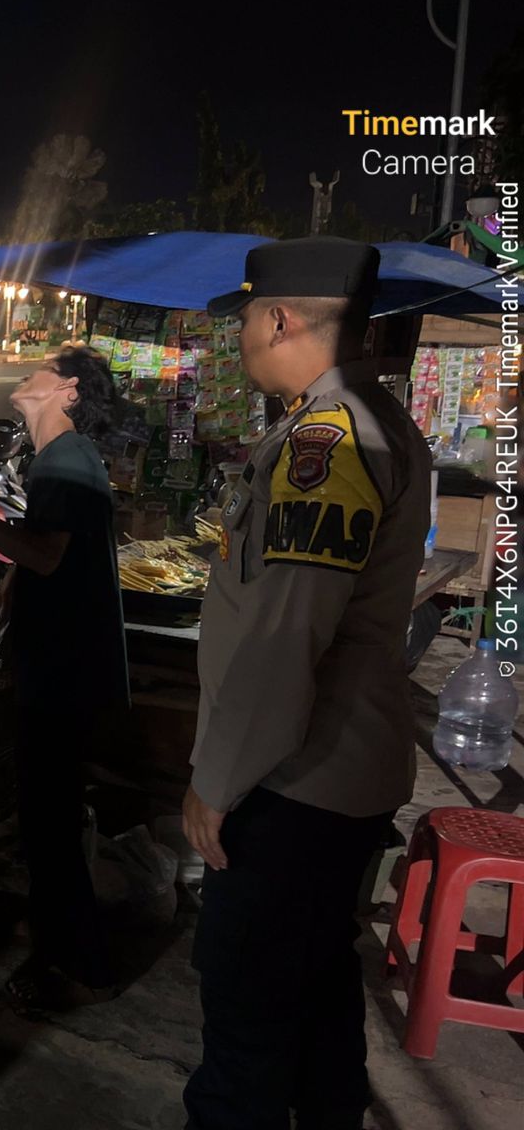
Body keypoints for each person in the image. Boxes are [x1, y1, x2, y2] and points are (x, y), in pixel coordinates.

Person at [181, 239, 430, 1130]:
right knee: (319, 996)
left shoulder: (330, 440)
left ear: (280, 318)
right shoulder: (367, 419)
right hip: (335, 777)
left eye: (247, 316)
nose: (242, 335)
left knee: (246, 1026)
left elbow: (287, 637)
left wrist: (216, 782)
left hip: (293, 784)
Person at [0, 347, 128, 1007]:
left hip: (62, 671)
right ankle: (66, 949)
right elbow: (44, 552)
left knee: (50, 826)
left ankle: (79, 966)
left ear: (68, 391)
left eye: (45, 368)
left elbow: (46, 555)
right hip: (58, 662)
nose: (28, 372)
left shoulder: (64, 458)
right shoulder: (61, 459)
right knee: (46, 819)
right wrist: (12, 576)